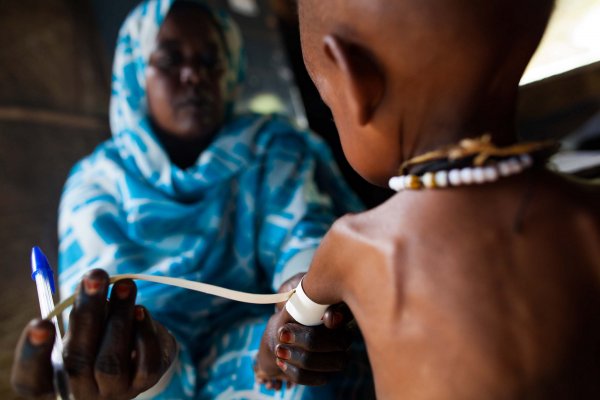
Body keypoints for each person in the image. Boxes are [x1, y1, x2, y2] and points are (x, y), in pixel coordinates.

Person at [11, 0, 375, 398]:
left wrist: (297, 315)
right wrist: (137, 370)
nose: (193, 75)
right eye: (169, 60)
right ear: (136, 73)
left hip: (257, 352)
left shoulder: (271, 146)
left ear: (231, 70)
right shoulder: (97, 183)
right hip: (155, 370)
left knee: (305, 374)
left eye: (209, 60)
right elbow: (105, 329)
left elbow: (303, 234)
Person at [255, 0, 600, 398]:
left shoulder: (356, 244)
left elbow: (289, 326)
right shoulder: (586, 216)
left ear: (357, 82)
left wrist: (268, 362)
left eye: (331, 109)